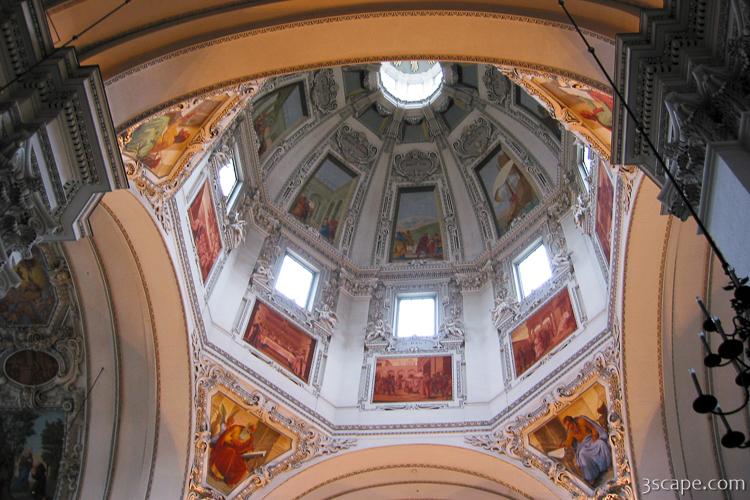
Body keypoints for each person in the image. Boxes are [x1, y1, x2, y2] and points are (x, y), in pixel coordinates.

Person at [561, 415, 612, 485]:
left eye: (570, 425)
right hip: (584, 446)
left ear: (573, 421)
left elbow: (593, 429)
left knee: (601, 443)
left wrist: (594, 436)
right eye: (568, 427)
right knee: (582, 454)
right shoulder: (570, 432)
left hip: (592, 440)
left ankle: (607, 465)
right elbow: (568, 443)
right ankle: (592, 476)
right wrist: (562, 444)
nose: (571, 428)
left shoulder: (582, 421)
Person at [209, 415, 257, 487]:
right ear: (246, 427)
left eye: (251, 431)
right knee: (231, 452)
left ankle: (230, 481)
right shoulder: (236, 428)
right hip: (226, 447)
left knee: (243, 467)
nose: (249, 432)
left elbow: (249, 448)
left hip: (238, 455)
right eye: (248, 429)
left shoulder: (250, 438)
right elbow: (225, 437)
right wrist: (234, 442)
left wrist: (249, 452)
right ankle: (217, 474)